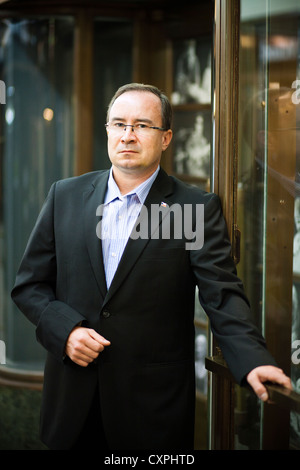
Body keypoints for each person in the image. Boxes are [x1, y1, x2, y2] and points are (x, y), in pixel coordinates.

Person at [11, 83, 291, 451]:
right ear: (108, 130)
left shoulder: (193, 208)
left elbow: (221, 296)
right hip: (72, 402)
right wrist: (66, 332)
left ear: (166, 138)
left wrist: (253, 360)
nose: (128, 135)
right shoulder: (64, 195)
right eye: (119, 124)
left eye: (143, 125)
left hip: (151, 411)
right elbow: (29, 286)